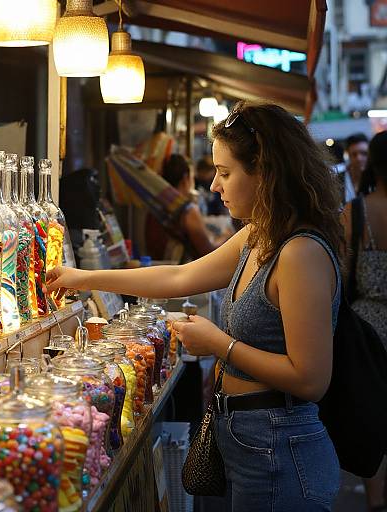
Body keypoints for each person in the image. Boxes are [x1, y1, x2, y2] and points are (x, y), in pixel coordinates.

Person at [47, 101, 343, 511]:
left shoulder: (299, 253)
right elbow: (180, 276)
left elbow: (311, 379)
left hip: (279, 445)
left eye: (225, 173)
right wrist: (84, 277)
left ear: (265, 172)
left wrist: (219, 344)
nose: (215, 187)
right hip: (248, 438)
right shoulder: (259, 236)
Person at [341, 131, 387, 512]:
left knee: (372, 409)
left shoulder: (356, 211)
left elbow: (340, 273)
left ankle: (375, 499)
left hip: (367, 326)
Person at [145, 153, 217, 260]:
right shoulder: (187, 210)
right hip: (185, 270)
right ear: (185, 178)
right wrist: (227, 237)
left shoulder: (155, 207)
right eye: (192, 177)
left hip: (158, 267)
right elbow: (208, 252)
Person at [340, 133, 369, 203]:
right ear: (348, 155)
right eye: (354, 154)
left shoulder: (377, 177)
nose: (359, 158)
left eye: (364, 153)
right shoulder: (338, 176)